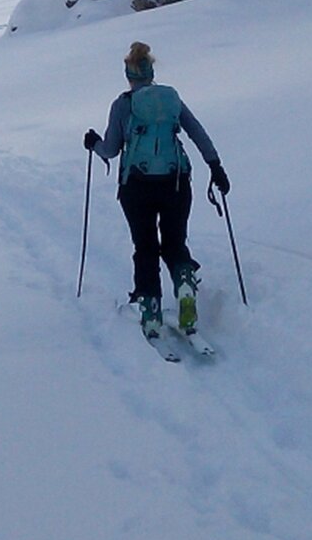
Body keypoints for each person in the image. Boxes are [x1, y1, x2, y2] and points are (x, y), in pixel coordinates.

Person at [84, 42, 229, 339]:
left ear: (129, 75)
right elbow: (197, 131)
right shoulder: (171, 99)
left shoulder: (123, 104)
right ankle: (185, 283)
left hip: (136, 186)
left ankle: (151, 310)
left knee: (146, 246)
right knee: (175, 243)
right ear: (151, 72)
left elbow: (111, 150)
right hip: (176, 181)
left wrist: (93, 143)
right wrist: (215, 167)